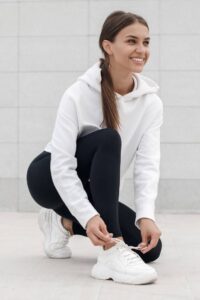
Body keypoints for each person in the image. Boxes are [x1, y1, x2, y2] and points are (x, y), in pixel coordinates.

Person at [26, 10, 163, 285]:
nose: (141, 50)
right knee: (109, 138)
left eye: (146, 42)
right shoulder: (78, 93)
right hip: (48, 177)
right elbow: (62, 165)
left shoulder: (151, 104)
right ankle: (110, 254)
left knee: (150, 248)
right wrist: (90, 217)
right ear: (107, 46)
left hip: (90, 187)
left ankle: (62, 222)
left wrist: (146, 215)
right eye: (132, 41)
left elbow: (148, 165)